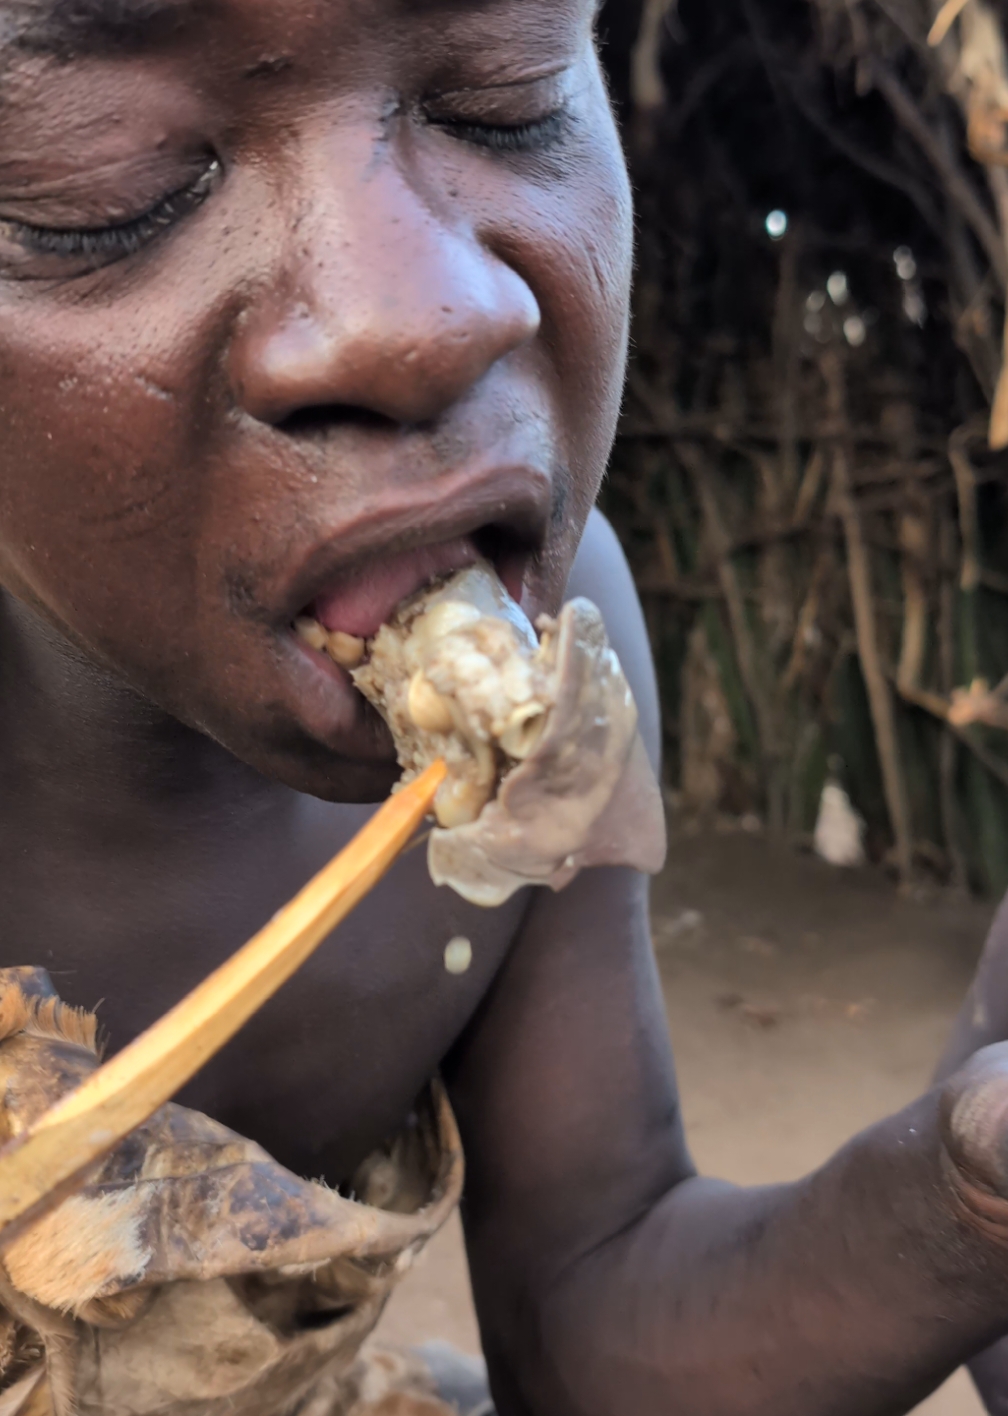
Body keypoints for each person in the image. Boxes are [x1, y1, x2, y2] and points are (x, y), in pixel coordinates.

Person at [4, 1, 1008, 1412]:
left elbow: (591, 1309)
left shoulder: (555, 690)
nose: (423, 316)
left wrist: (968, 1185)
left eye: (502, 94)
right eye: (107, 179)